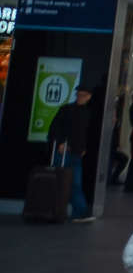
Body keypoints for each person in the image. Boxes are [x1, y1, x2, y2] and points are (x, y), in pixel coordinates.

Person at [46, 86, 96, 222]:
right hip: (68, 151)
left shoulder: (83, 112)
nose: (79, 97)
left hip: (75, 151)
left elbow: (86, 133)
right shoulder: (70, 110)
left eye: (82, 95)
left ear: (88, 96)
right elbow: (54, 127)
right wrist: (61, 143)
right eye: (78, 95)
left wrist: (83, 148)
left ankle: (74, 212)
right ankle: (57, 210)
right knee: (65, 181)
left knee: (72, 182)